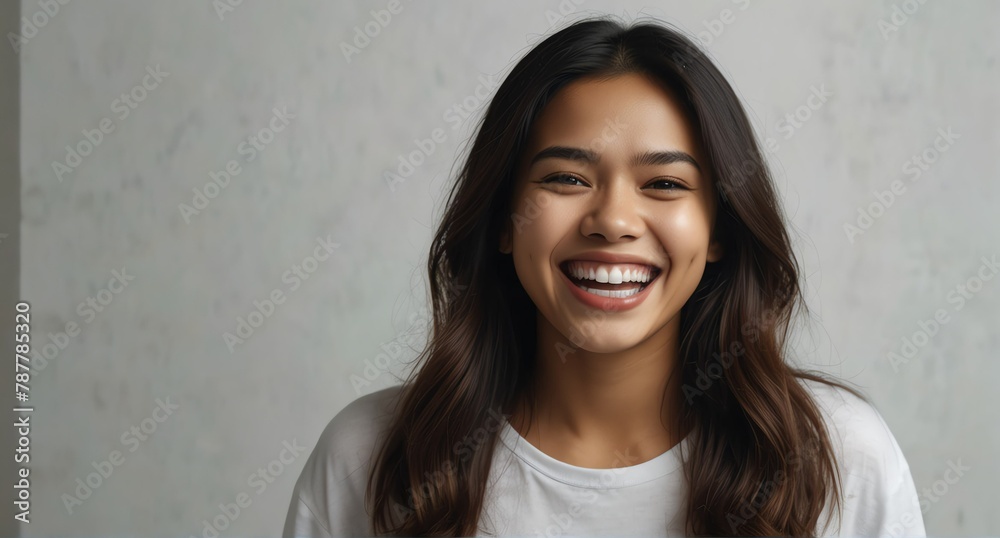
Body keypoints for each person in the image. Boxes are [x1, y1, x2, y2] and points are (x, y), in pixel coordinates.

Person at [283, 16, 925, 537]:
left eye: (665, 184)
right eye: (566, 178)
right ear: (504, 219)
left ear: (719, 230)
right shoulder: (368, 457)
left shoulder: (839, 458)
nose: (613, 219)